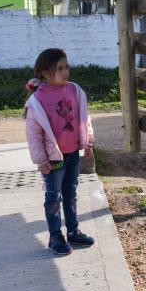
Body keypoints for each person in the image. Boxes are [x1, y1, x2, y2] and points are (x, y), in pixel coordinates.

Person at [24, 48, 96, 256]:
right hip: (53, 159)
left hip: (73, 154)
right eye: (60, 69)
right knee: (53, 197)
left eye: (67, 67)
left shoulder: (74, 91)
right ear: (45, 73)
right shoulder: (38, 100)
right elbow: (34, 134)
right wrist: (40, 160)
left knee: (71, 193)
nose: (65, 72)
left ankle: (73, 231)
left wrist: (88, 142)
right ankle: (55, 236)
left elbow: (84, 118)